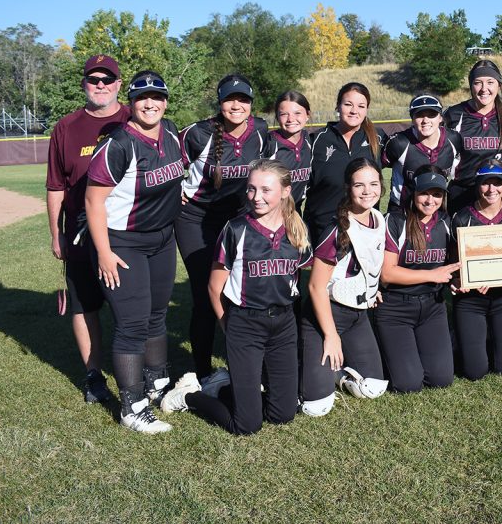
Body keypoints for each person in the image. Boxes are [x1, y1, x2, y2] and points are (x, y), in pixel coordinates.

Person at [160, 159, 312, 435]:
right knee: (246, 425)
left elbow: (295, 280)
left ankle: (225, 386)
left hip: (283, 324)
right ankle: (189, 396)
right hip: (245, 323)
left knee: (283, 414)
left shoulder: (297, 230)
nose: (256, 197)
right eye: (251, 189)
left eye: (266, 190)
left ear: (286, 191)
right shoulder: (236, 229)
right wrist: (227, 326)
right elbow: (214, 286)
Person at [84, 70, 183, 433]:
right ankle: (132, 406)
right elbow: (93, 202)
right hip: (123, 243)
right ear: (131, 103)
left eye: (157, 96)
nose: (150, 103)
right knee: (132, 324)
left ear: (165, 101)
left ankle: (157, 383)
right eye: (142, 97)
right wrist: (104, 252)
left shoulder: (171, 132)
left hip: (161, 239)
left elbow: (175, 176)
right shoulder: (119, 143)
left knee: (157, 316)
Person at [45, 54, 129, 403]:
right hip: (79, 229)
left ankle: (140, 372)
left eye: (107, 79)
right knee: (84, 305)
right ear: (84, 84)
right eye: (93, 79)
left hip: (126, 229)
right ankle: (94, 374)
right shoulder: (66, 127)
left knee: (132, 305)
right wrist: (56, 233)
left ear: (119, 84)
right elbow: (55, 186)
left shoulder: (134, 117)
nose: (100, 85)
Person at [176, 74, 268, 389]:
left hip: (238, 221)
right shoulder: (197, 133)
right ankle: (202, 372)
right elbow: (162, 155)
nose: (236, 105)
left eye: (243, 99)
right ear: (220, 102)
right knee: (205, 296)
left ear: (251, 104)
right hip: (196, 220)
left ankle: (245, 363)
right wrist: (175, 191)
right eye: (230, 99)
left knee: (241, 293)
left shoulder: (261, 130)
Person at [301, 157, 390, 412]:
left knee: (372, 387)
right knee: (316, 406)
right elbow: (316, 287)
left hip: (356, 316)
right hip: (325, 316)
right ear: (347, 188)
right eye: (359, 185)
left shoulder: (378, 219)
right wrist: (330, 336)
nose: (367, 191)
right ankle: (301, 363)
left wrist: (371, 289)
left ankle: (336, 374)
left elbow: (369, 263)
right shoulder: (337, 228)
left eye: (373, 184)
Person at [378, 166, 460, 392]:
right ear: (413, 193)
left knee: (441, 379)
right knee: (408, 384)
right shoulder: (395, 220)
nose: (430, 200)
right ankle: (379, 352)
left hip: (433, 307)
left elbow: (454, 265)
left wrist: (458, 279)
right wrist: (433, 275)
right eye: (424, 193)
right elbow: (387, 274)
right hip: (396, 307)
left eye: (437, 194)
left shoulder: (445, 221)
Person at [450, 162, 502, 380]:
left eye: (497, 183)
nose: (492, 189)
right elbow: (454, 263)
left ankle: (491, 341)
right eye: (485, 183)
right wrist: (459, 278)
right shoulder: (462, 218)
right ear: (477, 185)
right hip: (471, 301)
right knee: (474, 371)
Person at [303, 83, 384, 240]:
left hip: (365, 233)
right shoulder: (316, 140)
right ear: (337, 106)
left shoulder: (378, 139)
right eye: (348, 104)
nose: (354, 110)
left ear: (367, 109)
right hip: (324, 232)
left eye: (361, 106)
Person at [444, 60, 502, 215]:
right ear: (471, 86)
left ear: (499, 85)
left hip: (499, 193)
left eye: (490, 82)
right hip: (463, 194)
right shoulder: (454, 115)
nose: (484, 89)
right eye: (478, 83)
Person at [382, 95, 461, 213]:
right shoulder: (399, 143)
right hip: (402, 212)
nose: (425, 120)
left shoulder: (453, 139)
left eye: (432, 114)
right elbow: (376, 168)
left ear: (440, 118)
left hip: (437, 212)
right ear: (412, 119)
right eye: (419, 115)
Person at [265, 90, 314, 207]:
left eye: (297, 113)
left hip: (295, 213)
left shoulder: (310, 141)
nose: (290, 119)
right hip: (270, 214)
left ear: (307, 115)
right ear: (277, 117)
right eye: (284, 114)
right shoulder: (269, 144)